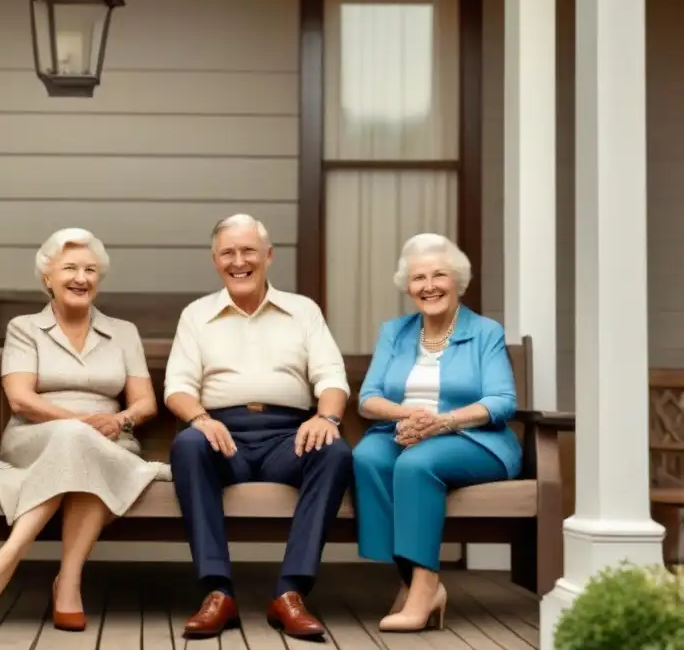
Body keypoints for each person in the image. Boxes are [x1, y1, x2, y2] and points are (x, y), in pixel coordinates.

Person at [0, 228, 170, 632]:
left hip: (110, 440)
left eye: (90, 270)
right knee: (77, 440)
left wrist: (119, 420)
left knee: (84, 451)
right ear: (48, 277)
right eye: (70, 268)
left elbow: (145, 403)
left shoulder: (123, 332)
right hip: (35, 438)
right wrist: (79, 424)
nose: (81, 278)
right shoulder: (24, 327)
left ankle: (46, 571)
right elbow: (20, 399)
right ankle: (39, 568)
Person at [164, 214, 352, 640]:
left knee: (335, 450)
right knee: (188, 446)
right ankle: (217, 592)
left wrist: (326, 417)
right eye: (227, 253)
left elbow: (331, 376)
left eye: (248, 251)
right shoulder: (196, 315)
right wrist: (200, 419)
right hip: (221, 433)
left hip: (290, 435)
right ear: (215, 260)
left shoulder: (303, 311)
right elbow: (178, 387)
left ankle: (290, 593)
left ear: (268, 255)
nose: (239, 261)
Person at [352, 233, 522, 633]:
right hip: (405, 431)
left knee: (415, 464)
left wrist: (443, 422)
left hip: (473, 439)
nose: (429, 286)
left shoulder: (485, 332)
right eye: (418, 278)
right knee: (367, 457)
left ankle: (424, 588)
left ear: (457, 280)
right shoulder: (395, 332)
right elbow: (368, 399)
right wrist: (410, 415)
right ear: (408, 286)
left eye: (439, 275)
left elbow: (502, 401)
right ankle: (412, 582)